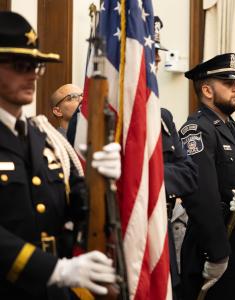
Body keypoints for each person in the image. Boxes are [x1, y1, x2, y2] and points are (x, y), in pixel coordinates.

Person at [0, 11, 121, 299]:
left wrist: (101, 179)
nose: (32, 75)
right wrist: (55, 270)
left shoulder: (42, 138)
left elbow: (74, 208)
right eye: (21, 65)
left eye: (36, 66)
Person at [179, 53, 235, 300]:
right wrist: (217, 253)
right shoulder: (197, 130)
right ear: (208, 91)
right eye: (228, 83)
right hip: (212, 246)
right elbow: (202, 196)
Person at [154, 16, 198, 300]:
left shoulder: (162, 116)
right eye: (151, 52)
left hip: (161, 226)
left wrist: (147, 175)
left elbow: (189, 174)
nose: (157, 58)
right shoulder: (93, 114)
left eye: (157, 52)